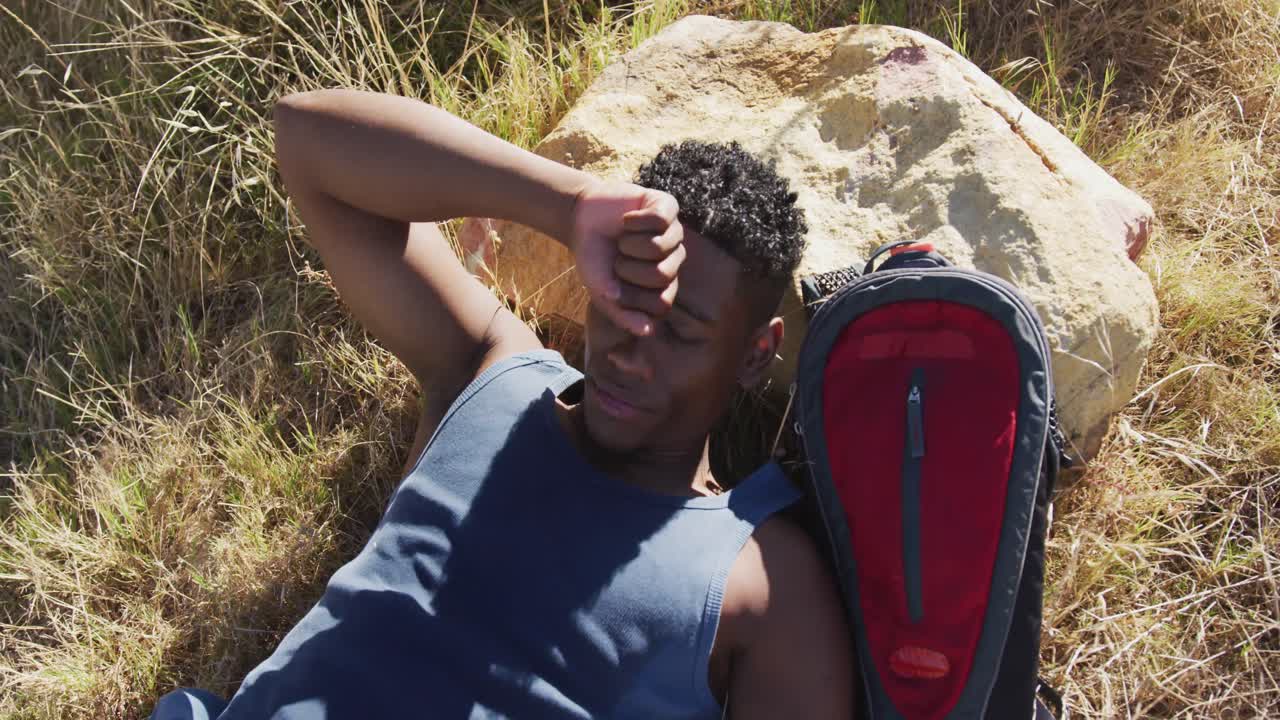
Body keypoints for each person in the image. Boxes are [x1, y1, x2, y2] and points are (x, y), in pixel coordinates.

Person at [151, 89, 853, 719]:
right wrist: (568, 203)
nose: (627, 351)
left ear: (756, 353)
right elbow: (306, 139)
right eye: (622, 301)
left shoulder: (763, 581)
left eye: (677, 332)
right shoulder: (490, 370)